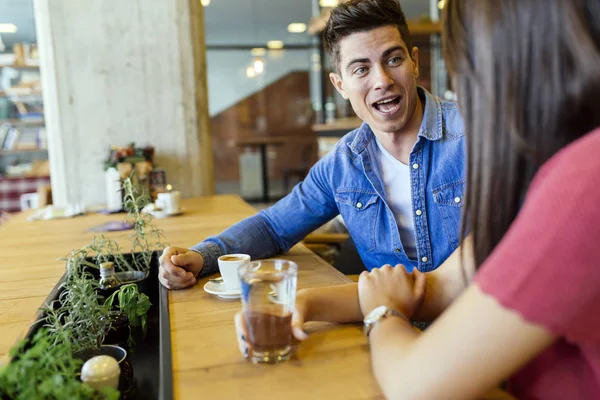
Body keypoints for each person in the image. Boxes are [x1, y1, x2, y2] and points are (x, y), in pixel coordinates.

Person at [237, 0, 600, 398]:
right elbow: (440, 286)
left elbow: (414, 387)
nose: (462, 89)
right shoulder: (568, 171)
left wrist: (383, 315)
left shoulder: (581, 185)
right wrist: (307, 301)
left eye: (469, 63)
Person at [159, 0, 466, 290]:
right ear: (340, 85)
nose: (382, 80)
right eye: (361, 69)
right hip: (393, 320)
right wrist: (202, 256)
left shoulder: (475, 135)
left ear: (414, 62)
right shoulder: (343, 164)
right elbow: (273, 226)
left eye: (393, 59)